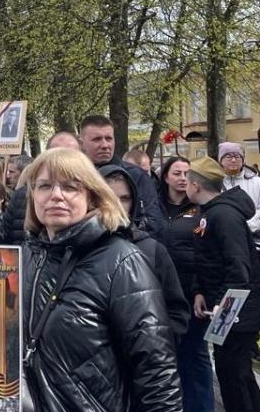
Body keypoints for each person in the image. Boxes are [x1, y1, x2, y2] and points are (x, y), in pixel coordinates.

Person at [18, 148, 180, 412]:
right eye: (44, 186)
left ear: (91, 196)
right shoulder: (26, 256)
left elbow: (156, 367)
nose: (55, 195)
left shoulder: (121, 261)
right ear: (33, 195)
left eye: (70, 187)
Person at [185, 157, 260, 412]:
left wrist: (223, 304)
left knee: (235, 376)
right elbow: (207, 258)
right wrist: (199, 290)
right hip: (227, 306)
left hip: (237, 310)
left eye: (187, 182)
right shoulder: (209, 213)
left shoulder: (224, 216)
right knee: (232, 373)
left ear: (195, 185)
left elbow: (238, 267)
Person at [98, 164, 190, 340]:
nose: (118, 205)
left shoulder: (151, 249)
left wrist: (159, 346)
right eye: (109, 197)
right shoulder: (76, 248)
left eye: (125, 199)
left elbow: (176, 312)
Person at [155, 156, 213, 412]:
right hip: (156, 290)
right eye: (176, 173)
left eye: (186, 173)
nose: (182, 178)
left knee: (195, 353)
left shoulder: (201, 209)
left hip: (190, 290)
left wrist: (200, 288)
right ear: (165, 177)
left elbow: (207, 253)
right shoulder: (152, 206)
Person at [77, 115, 164, 235]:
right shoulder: (74, 176)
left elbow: (153, 222)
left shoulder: (136, 176)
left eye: (109, 138)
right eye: (97, 139)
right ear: (81, 143)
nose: (105, 145)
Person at [218, 142, 260, 247]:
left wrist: (245, 227)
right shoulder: (214, 183)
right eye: (228, 157)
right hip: (222, 238)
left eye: (237, 156)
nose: (233, 160)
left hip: (253, 239)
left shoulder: (257, 182)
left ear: (243, 160)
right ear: (220, 160)